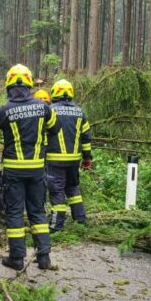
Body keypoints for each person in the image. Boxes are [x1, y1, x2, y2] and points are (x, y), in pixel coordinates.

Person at [0, 64, 54, 271]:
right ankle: (44, 257)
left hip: (14, 170)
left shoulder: (4, 110)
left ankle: (17, 258)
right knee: (38, 212)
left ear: (9, 85)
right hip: (38, 169)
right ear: (29, 83)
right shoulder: (43, 107)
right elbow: (54, 127)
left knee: (15, 213)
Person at [44, 80, 93, 232]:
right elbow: (86, 138)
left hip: (54, 159)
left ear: (54, 92)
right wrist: (87, 158)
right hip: (74, 160)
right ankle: (80, 219)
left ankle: (56, 225)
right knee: (72, 189)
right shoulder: (80, 112)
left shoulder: (50, 110)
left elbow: (42, 135)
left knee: (57, 192)